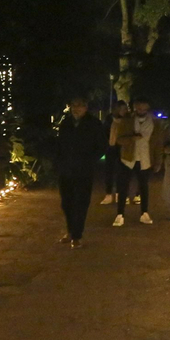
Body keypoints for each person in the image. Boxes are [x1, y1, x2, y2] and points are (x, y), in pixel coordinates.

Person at [109, 98, 163, 226]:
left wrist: (158, 161)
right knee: (123, 186)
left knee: (144, 187)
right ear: (134, 107)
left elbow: (158, 143)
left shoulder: (155, 123)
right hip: (128, 158)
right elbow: (119, 140)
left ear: (148, 108)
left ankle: (144, 213)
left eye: (144, 108)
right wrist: (132, 138)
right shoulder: (127, 120)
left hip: (145, 158)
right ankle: (120, 214)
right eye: (139, 108)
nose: (141, 110)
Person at [55, 96, 99, 247]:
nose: (76, 108)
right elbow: (60, 144)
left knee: (81, 202)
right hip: (66, 168)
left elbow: (101, 145)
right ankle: (70, 230)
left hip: (84, 169)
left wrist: (90, 159)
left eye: (79, 105)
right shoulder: (66, 123)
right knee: (66, 202)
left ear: (85, 107)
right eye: (74, 105)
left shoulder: (93, 123)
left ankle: (77, 235)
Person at [100, 100, 127, 205]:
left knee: (122, 172)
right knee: (109, 171)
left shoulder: (126, 120)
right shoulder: (109, 119)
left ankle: (119, 193)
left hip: (123, 148)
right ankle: (108, 194)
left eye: (125, 109)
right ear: (116, 109)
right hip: (111, 147)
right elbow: (104, 133)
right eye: (122, 109)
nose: (124, 111)